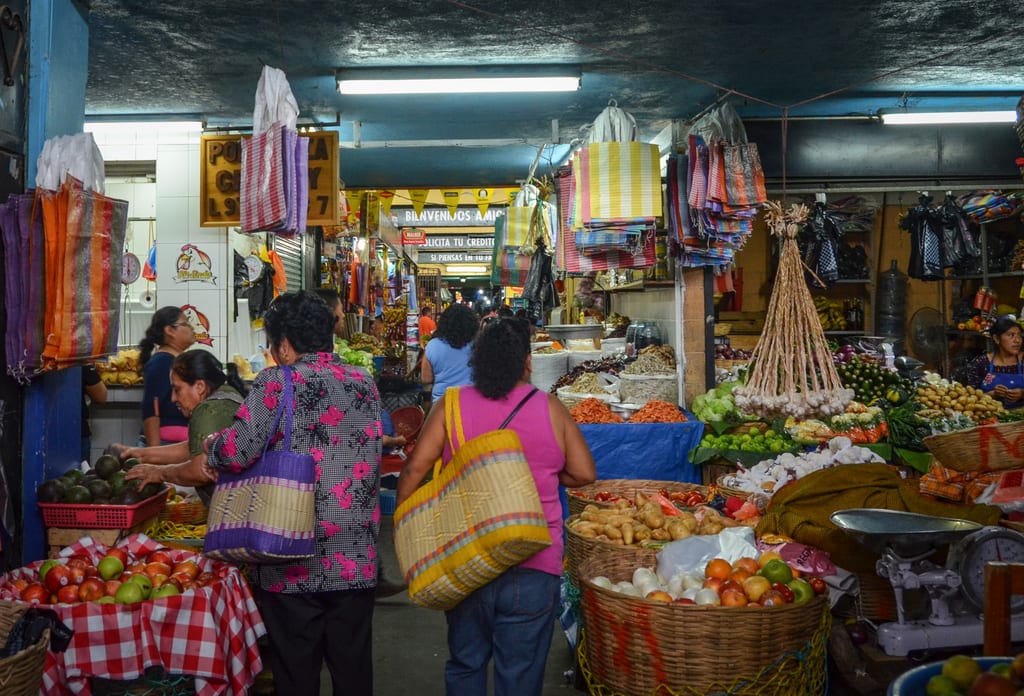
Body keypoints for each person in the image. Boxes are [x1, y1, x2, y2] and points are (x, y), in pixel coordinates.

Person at [396, 317, 596, 696]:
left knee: (466, 661)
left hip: (466, 556)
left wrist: (405, 528)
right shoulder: (550, 408)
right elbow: (585, 473)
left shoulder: (451, 405)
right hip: (534, 562)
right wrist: (546, 475)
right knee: (519, 672)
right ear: (527, 363)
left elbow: (414, 469)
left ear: (478, 359)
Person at [206, 291, 382, 696]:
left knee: (296, 674)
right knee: (353, 672)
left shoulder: (277, 381)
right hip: (355, 557)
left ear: (284, 344)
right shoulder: (364, 383)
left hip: (291, 557)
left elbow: (238, 449)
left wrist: (211, 446)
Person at [122, 350, 248, 505]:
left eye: (177, 389)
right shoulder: (227, 395)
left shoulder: (208, 410)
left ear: (200, 386)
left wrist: (160, 473)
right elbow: (194, 448)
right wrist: (142, 454)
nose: (173, 398)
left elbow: (199, 471)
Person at [138, 306, 196, 446]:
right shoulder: (161, 363)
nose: (192, 328)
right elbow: (151, 408)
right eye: (186, 324)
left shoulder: (176, 361)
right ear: (169, 330)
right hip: (166, 444)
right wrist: (154, 454)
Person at [421, 303, 478, 404]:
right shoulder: (477, 345)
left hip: (441, 406)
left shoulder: (433, 345)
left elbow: (426, 379)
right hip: (471, 404)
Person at [972, 315, 1024, 408]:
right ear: (996, 338)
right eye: (1011, 335)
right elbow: (969, 398)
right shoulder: (982, 363)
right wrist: (992, 394)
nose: (1017, 340)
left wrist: (1022, 394)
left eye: (1020, 335)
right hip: (991, 418)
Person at [81, 365, 107, 463]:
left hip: (38, 431)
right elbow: (101, 396)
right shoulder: (80, 361)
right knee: (77, 475)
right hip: (77, 432)